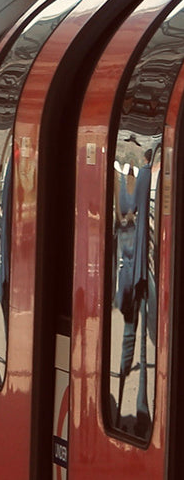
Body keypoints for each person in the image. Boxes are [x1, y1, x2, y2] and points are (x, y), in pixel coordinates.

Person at [116, 148, 152, 438]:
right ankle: (138, 406)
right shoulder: (139, 180)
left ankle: (124, 385)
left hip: (130, 270)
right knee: (136, 338)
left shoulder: (123, 185)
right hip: (135, 270)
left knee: (131, 335)